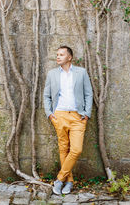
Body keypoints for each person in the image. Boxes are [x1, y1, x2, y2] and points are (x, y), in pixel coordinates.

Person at [43, 46, 93, 195]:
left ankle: (59, 179)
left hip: (78, 117)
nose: (58, 57)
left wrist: (87, 114)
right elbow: (46, 95)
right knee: (63, 149)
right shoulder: (52, 74)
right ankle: (69, 182)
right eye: (57, 54)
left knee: (76, 149)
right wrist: (50, 114)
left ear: (69, 57)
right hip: (60, 116)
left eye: (61, 55)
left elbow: (88, 94)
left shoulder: (81, 73)